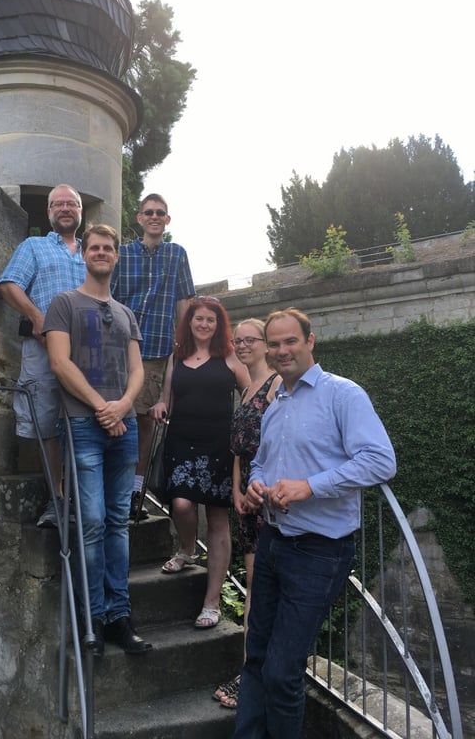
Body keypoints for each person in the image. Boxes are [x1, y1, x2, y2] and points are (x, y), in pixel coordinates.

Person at [234, 307, 396, 739]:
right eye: (275, 343)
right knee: (255, 659)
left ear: (310, 341)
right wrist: (255, 486)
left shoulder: (343, 395)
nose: (282, 350)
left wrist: (311, 486)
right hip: (273, 541)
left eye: (291, 341)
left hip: (320, 551)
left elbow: (381, 461)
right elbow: (261, 464)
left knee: (283, 672)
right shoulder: (276, 405)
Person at [43, 223, 152, 657]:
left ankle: (119, 617)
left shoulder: (126, 313)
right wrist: (101, 408)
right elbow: (59, 363)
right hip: (85, 426)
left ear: (115, 256)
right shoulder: (64, 303)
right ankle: (91, 620)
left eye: (109, 247)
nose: (102, 252)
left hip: (122, 428)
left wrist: (123, 405)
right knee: (90, 524)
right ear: (84, 254)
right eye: (95, 247)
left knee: (117, 525)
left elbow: (138, 369)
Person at [149, 297, 250, 629]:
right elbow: (167, 396)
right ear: (189, 322)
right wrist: (161, 407)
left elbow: (252, 399)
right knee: (180, 504)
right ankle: (188, 549)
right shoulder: (176, 357)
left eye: (211, 320)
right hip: (181, 442)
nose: (204, 324)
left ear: (219, 325)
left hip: (220, 447)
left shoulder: (231, 358)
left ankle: (211, 601)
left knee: (219, 520)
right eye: (199, 319)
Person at [0, 184, 86, 527]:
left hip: (87, 355)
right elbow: (8, 285)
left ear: (80, 211)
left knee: (83, 421)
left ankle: (83, 497)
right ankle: (58, 499)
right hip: (44, 347)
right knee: (47, 422)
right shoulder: (33, 246)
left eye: (72, 203)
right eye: (58, 203)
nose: (65, 208)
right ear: (49, 212)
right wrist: (37, 317)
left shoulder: (92, 250)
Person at [112, 193, 195, 520]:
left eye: (161, 212)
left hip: (157, 351)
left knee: (145, 424)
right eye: (149, 212)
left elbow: (185, 302)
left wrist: (183, 343)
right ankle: (114, 490)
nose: (155, 216)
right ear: (139, 218)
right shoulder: (122, 254)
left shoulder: (177, 255)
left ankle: (135, 493)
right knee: (114, 420)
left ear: (167, 219)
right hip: (119, 350)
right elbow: (109, 297)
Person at [212, 319, 281, 710]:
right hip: (247, 498)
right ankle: (250, 667)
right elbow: (239, 449)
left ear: (266, 345)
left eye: (250, 340)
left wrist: (254, 488)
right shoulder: (248, 388)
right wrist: (237, 489)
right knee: (254, 581)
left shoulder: (275, 387)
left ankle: (254, 670)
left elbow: (277, 441)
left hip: (267, 495)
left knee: (263, 583)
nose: (242, 346)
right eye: (238, 341)